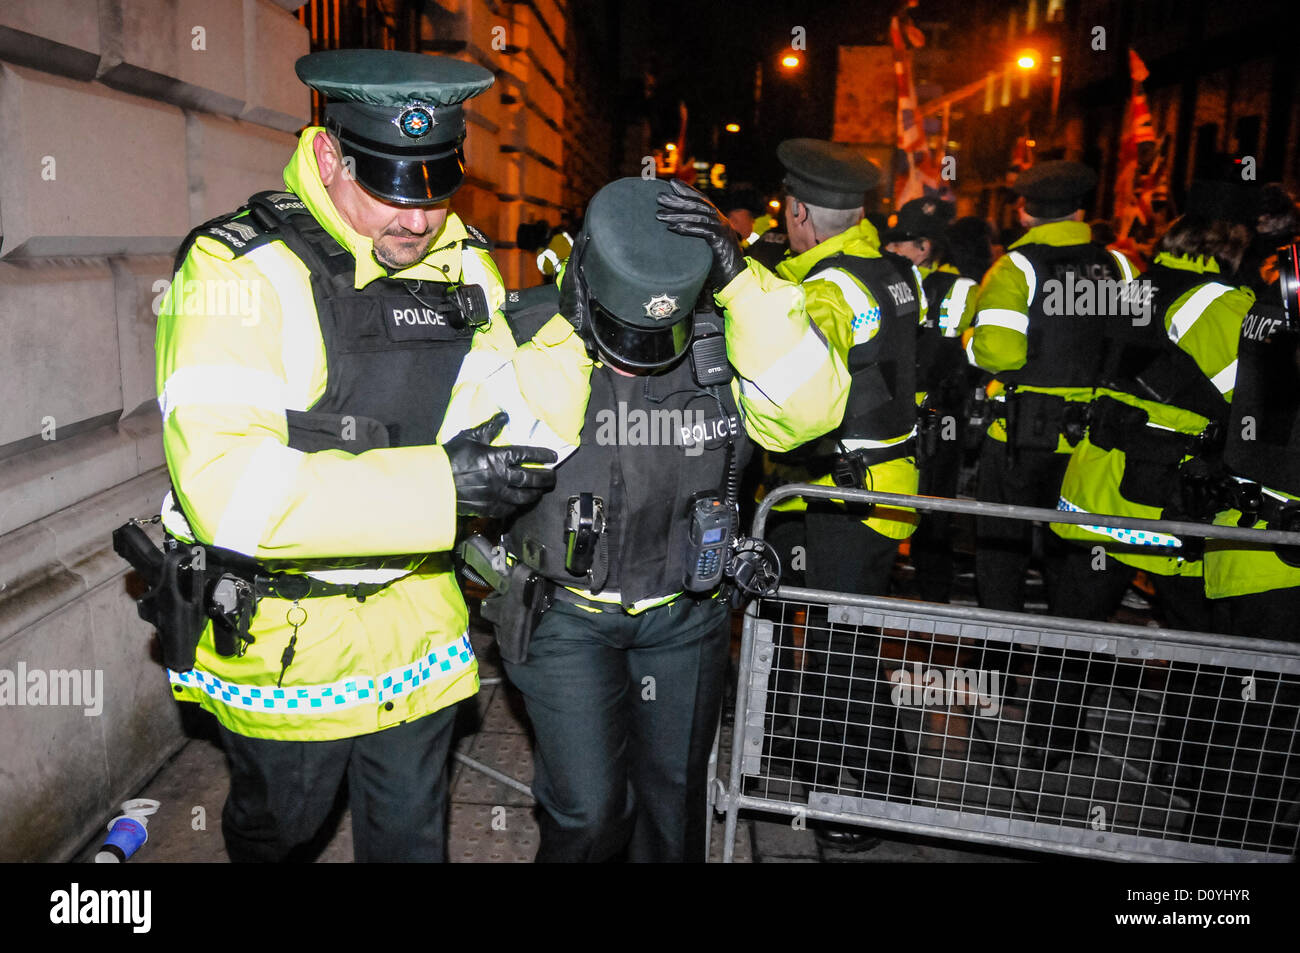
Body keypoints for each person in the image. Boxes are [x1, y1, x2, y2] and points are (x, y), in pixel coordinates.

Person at [152, 49, 591, 862]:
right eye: (389, 185)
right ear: (327, 153)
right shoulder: (235, 272)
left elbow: (514, 421)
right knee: (278, 833)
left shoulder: (459, 262)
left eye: (436, 186)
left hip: (418, 637)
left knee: (411, 847)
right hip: (289, 647)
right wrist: (441, 483)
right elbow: (232, 491)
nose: (418, 220)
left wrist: (577, 332)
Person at [485, 176, 851, 862]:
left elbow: (810, 412)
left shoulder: (728, 332)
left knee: (674, 808)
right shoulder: (535, 327)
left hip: (687, 616)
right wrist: (565, 331)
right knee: (590, 815)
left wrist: (743, 283)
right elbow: (506, 453)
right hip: (568, 617)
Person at [968, 159, 1139, 613]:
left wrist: (971, 340)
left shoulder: (1016, 266)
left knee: (1002, 555)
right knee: (1075, 557)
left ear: (1024, 212)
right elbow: (1140, 343)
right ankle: (1064, 673)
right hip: (1095, 442)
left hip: (1020, 439)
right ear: (1081, 212)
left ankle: (997, 659)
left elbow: (999, 354)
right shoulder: (1119, 264)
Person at [882, 198, 980, 602]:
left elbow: (941, 348)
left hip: (937, 413)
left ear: (924, 248)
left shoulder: (959, 289)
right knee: (886, 502)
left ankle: (933, 594)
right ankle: (886, 580)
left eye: (900, 242)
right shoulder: (891, 279)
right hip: (895, 409)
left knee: (934, 507)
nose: (889, 249)